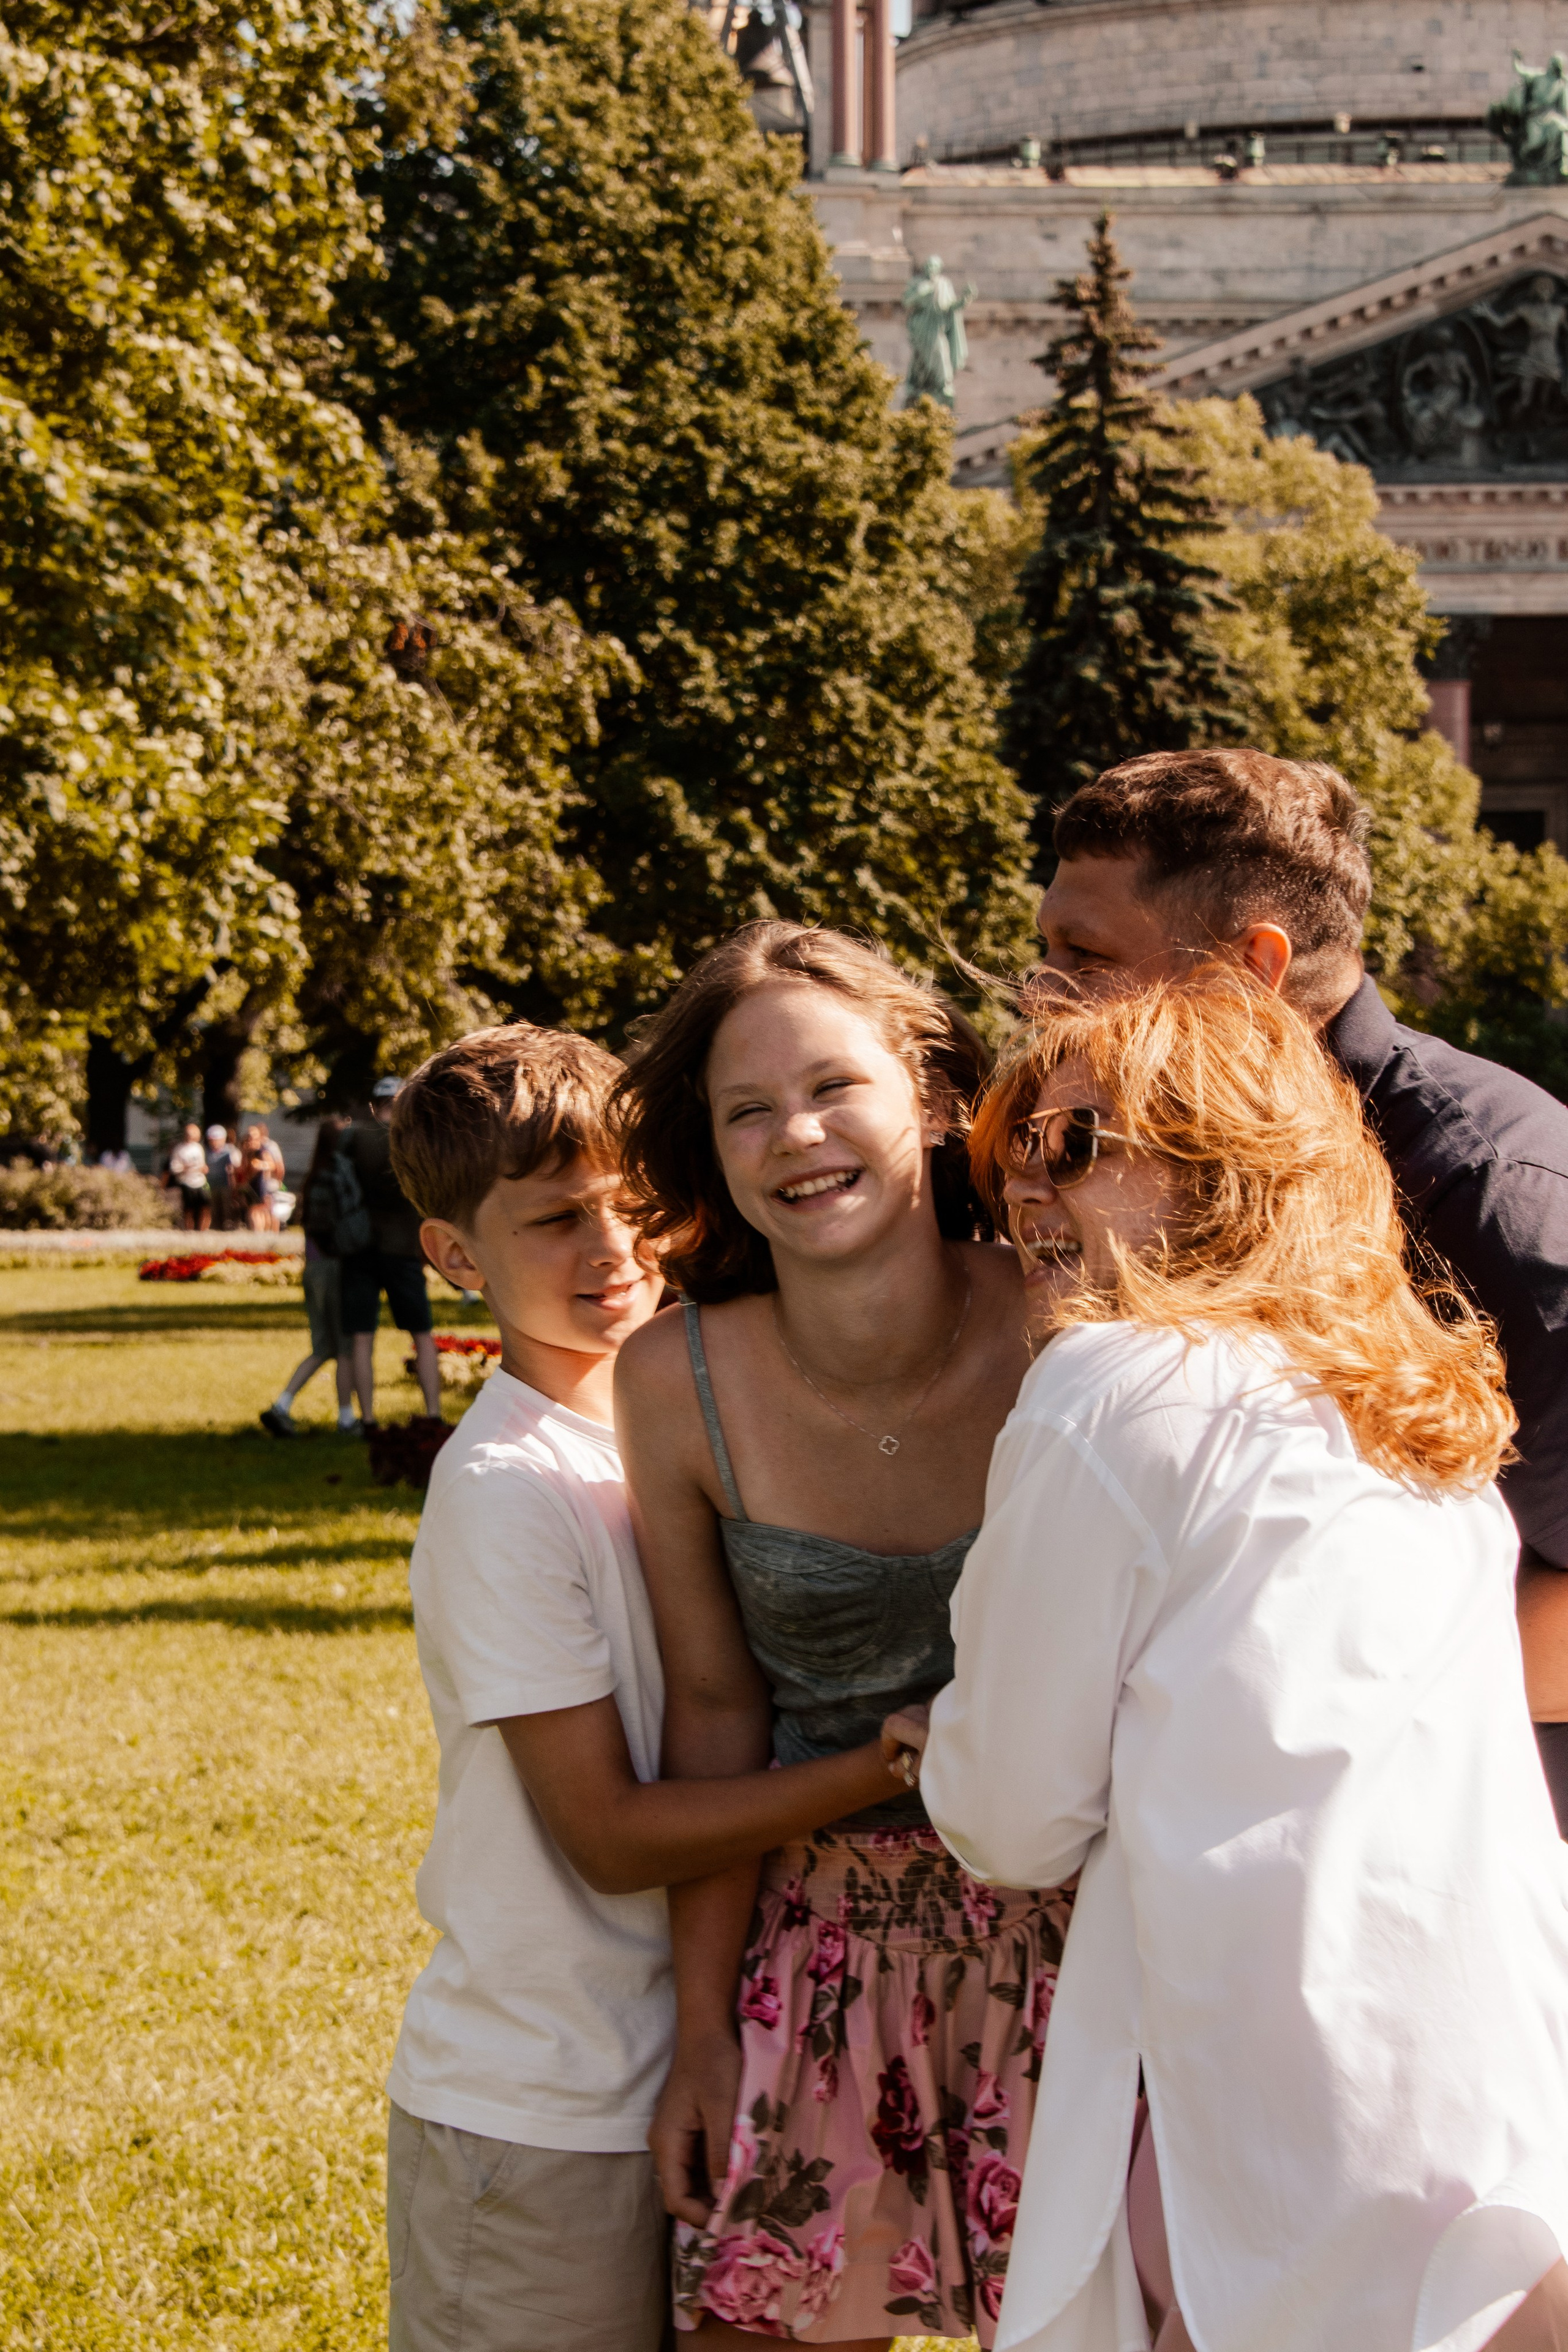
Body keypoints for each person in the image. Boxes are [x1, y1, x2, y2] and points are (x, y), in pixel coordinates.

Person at [889, 972, 1568, 2352]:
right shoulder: (1405, 1405)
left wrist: (931, 1744)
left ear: (1223, 1162)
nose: (1026, 1191)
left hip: (1271, 2083)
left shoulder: (1113, 1381)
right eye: (1003, 1162)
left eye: (1073, 1144)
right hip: (1487, 2051)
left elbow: (1008, 1816)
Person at [381, 1023, 922, 2352]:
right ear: (456, 1257)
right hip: (541, 2102)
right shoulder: (507, 1490)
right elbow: (607, 1836)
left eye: (632, 1205)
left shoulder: (679, 1423)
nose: (613, 1249)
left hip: (715, 2061)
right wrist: (885, 1767)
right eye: (557, 1221)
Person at [612, 921, 1068, 2348]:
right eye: (746, 1109)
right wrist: (699, 2033)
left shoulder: (1068, 1326)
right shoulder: (673, 1378)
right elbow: (711, 1709)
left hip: (1072, 1941)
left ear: (929, 1096)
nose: (793, 1135)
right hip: (812, 1953)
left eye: (831, 1087)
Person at [1031, 747, 1568, 1823]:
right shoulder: (1110, 1155)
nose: (1044, 992)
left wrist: (1261, 1717)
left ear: (1251, 967)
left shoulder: (1496, 1196)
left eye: (1083, 956)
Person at [340, 1077, 441, 1427]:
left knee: (362, 1338)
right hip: (403, 1248)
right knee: (423, 1335)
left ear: (374, 1104)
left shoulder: (354, 1140)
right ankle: (433, 1414)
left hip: (360, 1247)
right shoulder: (414, 1142)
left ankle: (367, 1418)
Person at [259, 1115, 362, 1439]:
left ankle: (282, 1406)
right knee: (345, 1348)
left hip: (313, 1268)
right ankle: (346, 1419)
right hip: (337, 1267)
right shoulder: (342, 1172)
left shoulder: (314, 1174)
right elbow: (353, 1216)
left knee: (321, 1347)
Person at [236, 1118, 285, 1234]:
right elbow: (244, 1168)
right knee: (255, 1210)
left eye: (253, 1136)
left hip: (261, 1183)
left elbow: (274, 1166)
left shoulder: (262, 1151)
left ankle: (261, 1234)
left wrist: (262, 1165)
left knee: (258, 1210)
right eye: (249, 1136)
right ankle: (261, 1234)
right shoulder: (247, 1151)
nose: (250, 1139)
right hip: (250, 1183)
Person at [164, 1121, 212, 1231]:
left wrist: (204, 1168)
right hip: (187, 1182)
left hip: (201, 1182)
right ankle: (189, 1230)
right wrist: (186, 1168)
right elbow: (174, 1168)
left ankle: (203, 1230)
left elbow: (202, 1164)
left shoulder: (199, 1148)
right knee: (189, 1209)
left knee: (205, 1206)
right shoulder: (179, 1149)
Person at [206, 1125, 241, 1229]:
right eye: (212, 1140)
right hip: (211, 1184)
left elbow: (237, 1165)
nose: (214, 1142)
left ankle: (228, 1225)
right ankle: (215, 1225)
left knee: (226, 1205)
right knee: (213, 1206)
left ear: (223, 1139)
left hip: (226, 1184)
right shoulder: (207, 1152)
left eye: (216, 1140)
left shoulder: (230, 1151)